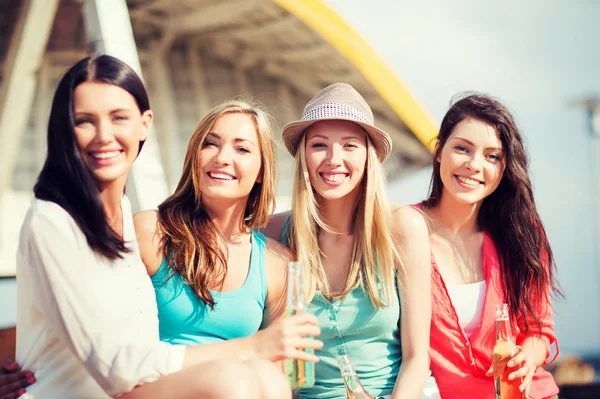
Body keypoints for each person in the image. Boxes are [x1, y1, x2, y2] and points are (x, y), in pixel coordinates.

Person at [13, 55, 292, 399]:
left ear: (144, 124)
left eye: (118, 118)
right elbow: (113, 362)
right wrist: (248, 349)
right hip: (103, 389)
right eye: (84, 121)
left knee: (268, 380)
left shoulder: (120, 216)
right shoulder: (60, 223)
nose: (104, 136)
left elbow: (74, 319)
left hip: (146, 384)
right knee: (234, 382)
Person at [264, 83, 435, 399]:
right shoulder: (272, 234)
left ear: (368, 156)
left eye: (349, 145)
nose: (333, 158)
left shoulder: (403, 227)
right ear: (303, 155)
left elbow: (417, 357)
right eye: (319, 145)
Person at [133, 100, 322, 364]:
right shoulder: (151, 232)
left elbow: (284, 369)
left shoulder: (278, 264)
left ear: (261, 170)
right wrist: (252, 348)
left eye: (242, 149)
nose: (222, 158)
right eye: (210, 144)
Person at [418, 93, 561, 399]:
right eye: (462, 148)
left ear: (504, 167)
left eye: (492, 156)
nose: (474, 165)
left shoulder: (522, 234)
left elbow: (539, 331)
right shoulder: (405, 229)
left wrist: (527, 358)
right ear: (439, 150)